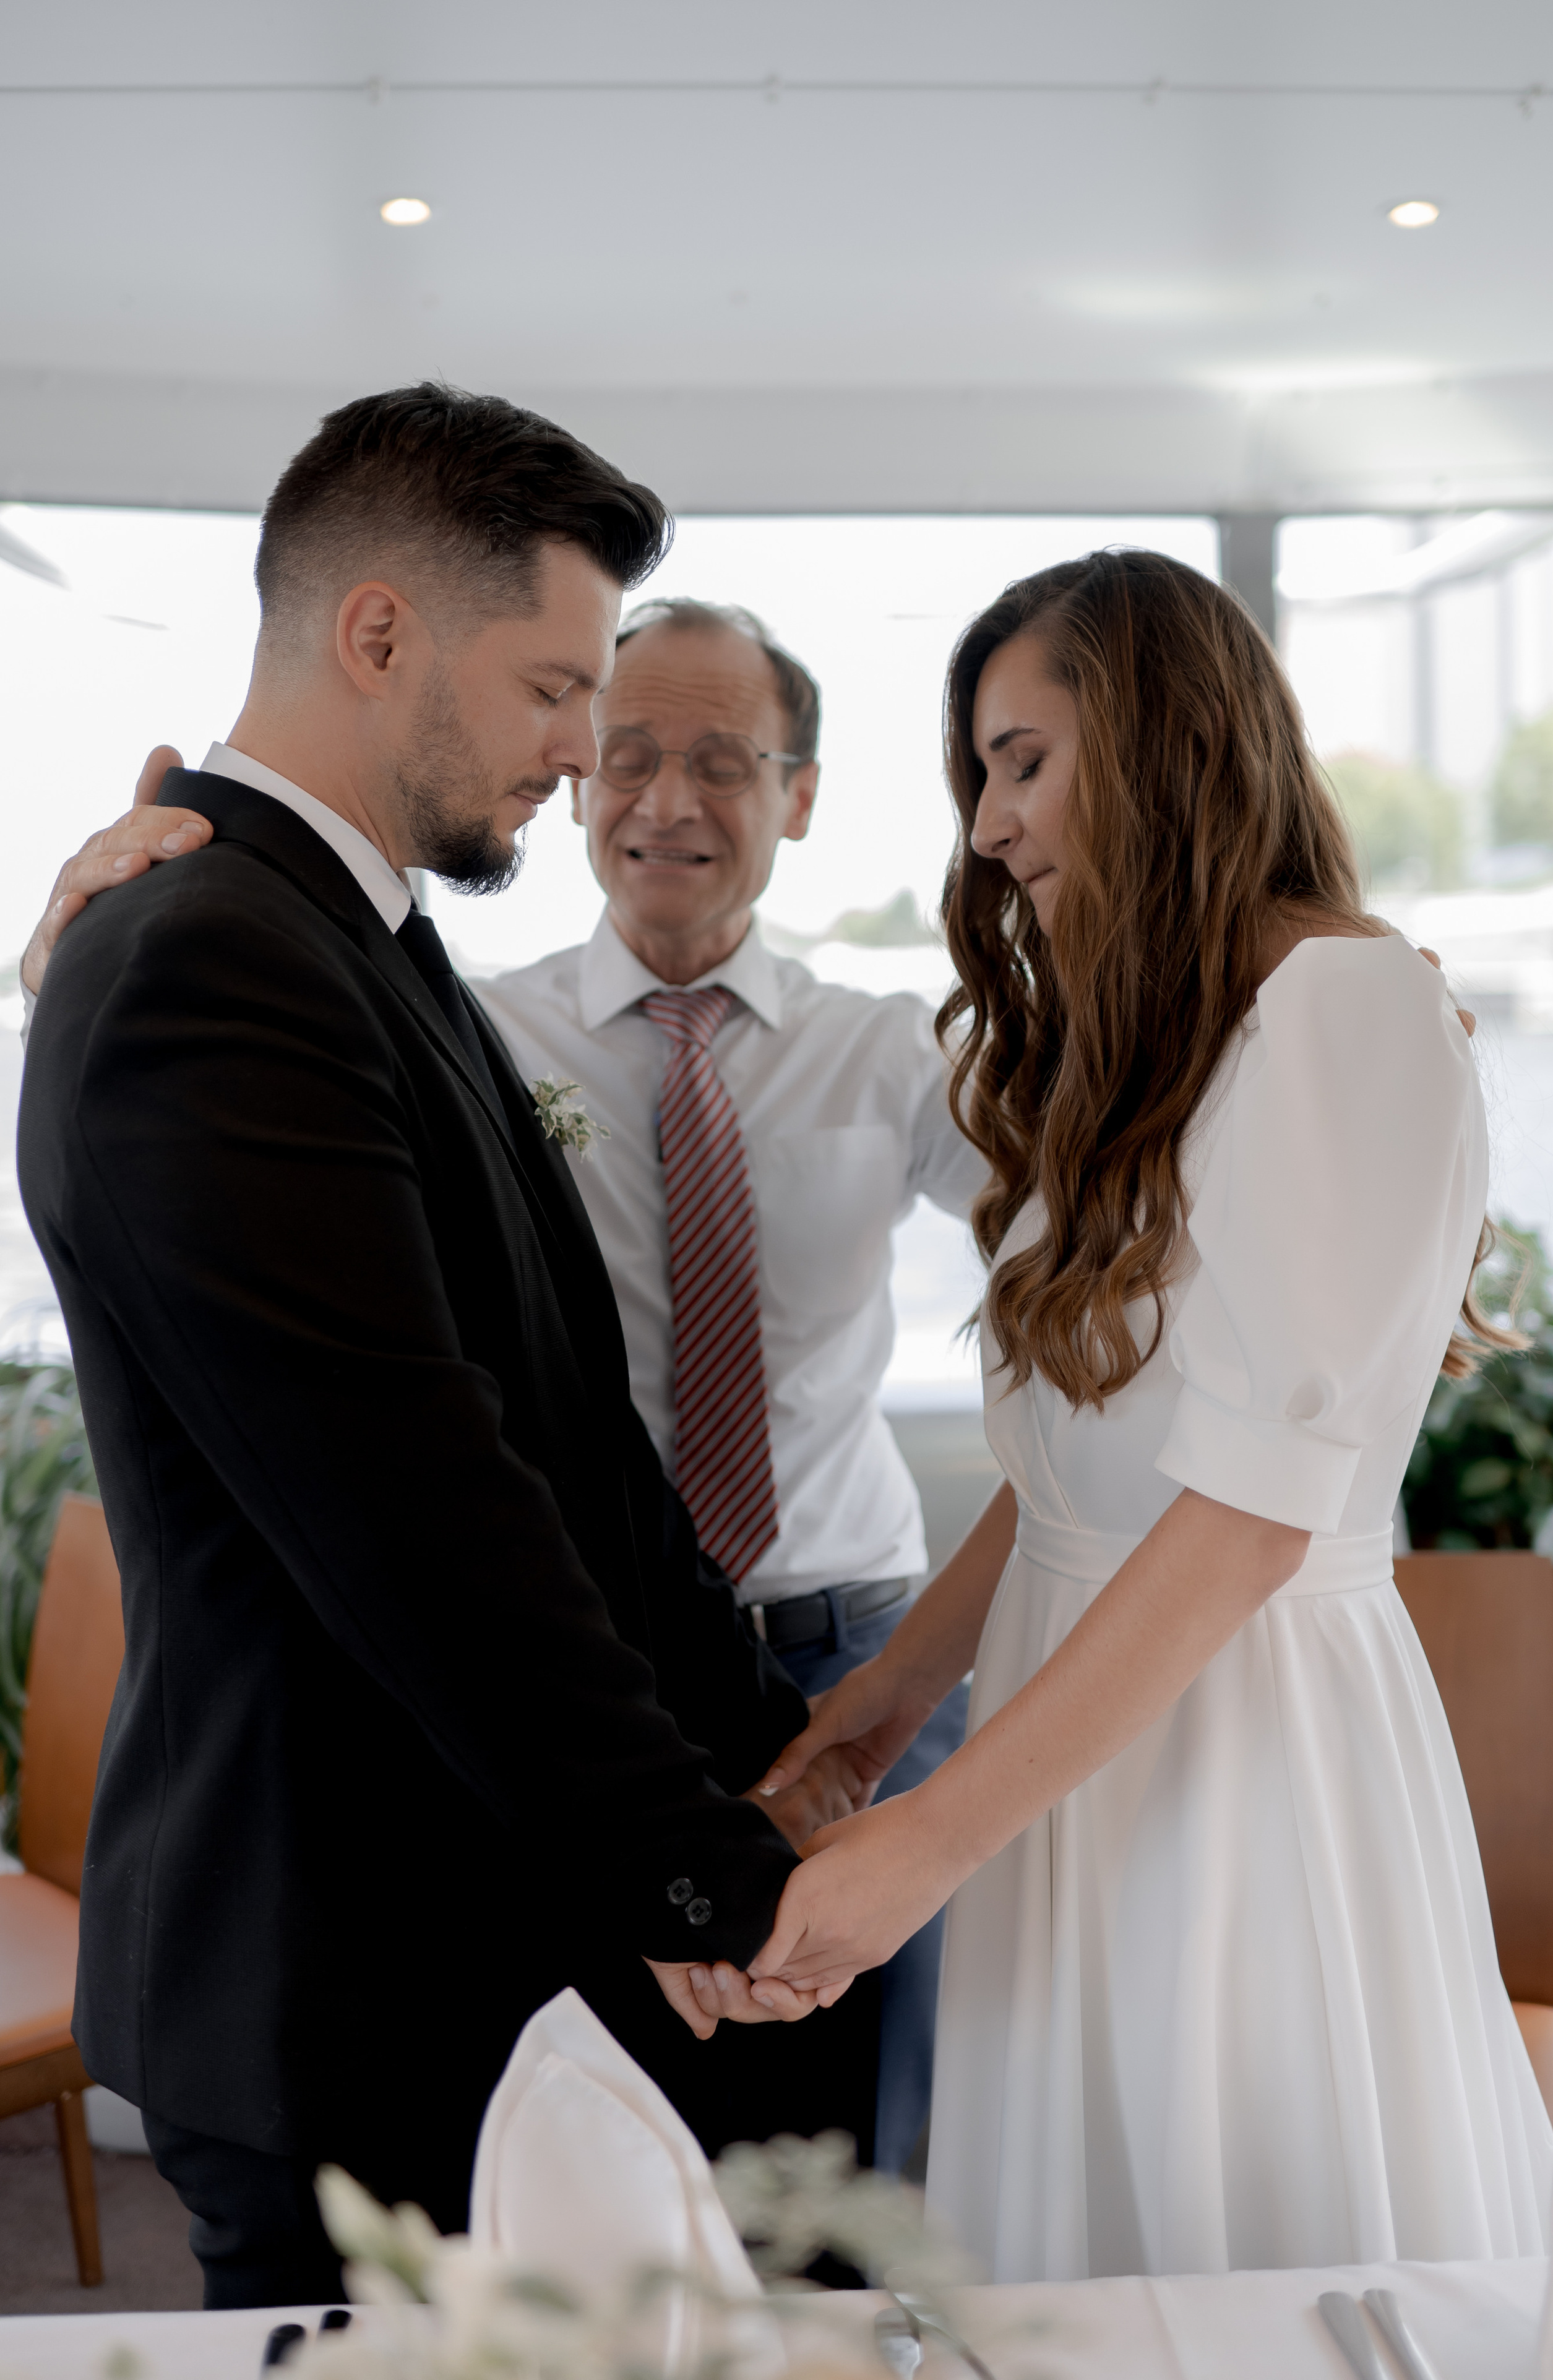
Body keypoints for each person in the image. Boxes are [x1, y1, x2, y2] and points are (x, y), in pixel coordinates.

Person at [15, 382, 855, 2310]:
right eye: (558, 688)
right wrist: (712, 1882)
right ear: (379, 631)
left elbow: (561, 1426)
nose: (584, 754)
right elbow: (426, 1517)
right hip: (350, 1964)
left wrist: (772, 1758)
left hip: (470, 1939)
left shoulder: (348, 937)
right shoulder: (205, 958)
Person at [747, 550, 1553, 2279]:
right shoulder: (1149, 1049)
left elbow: (1253, 1514)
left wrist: (935, 1841)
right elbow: (1071, 1466)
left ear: (1168, 734)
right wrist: (887, 1707)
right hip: (1075, 1702)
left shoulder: (1345, 1004)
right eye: (981, 773)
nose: (987, 826)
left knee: (1231, 2227)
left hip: (1236, 1733)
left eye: (1024, 758)